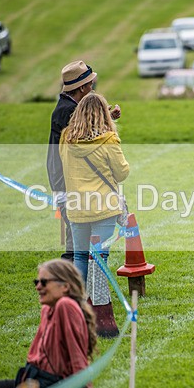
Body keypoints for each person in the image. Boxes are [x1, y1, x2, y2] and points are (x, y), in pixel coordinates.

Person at [0, 259, 99, 388]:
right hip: (34, 379)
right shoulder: (48, 309)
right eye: (37, 282)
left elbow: (77, 355)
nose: (38, 287)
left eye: (44, 282)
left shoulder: (65, 306)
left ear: (65, 286)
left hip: (56, 387)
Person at [47, 61, 121, 262]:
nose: (92, 88)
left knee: (80, 246)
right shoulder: (67, 111)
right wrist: (107, 123)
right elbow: (86, 138)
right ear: (81, 87)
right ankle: (68, 284)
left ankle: (79, 284)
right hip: (69, 183)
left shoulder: (70, 106)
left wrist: (108, 117)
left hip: (73, 184)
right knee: (75, 247)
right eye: (90, 84)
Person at [59, 92, 129, 284]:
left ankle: (78, 299)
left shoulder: (66, 137)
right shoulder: (109, 140)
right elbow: (122, 173)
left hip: (76, 206)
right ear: (103, 115)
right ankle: (98, 302)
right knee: (99, 258)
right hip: (103, 207)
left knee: (80, 256)